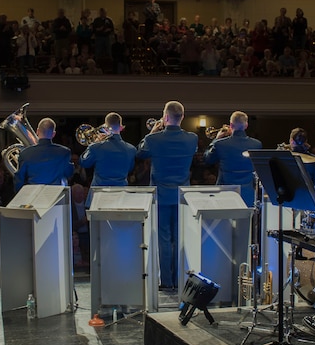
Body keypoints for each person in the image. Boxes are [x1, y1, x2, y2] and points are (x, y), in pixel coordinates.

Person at [136, 101, 198, 290]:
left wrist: (151, 133)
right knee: (180, 238)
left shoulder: (154, 139)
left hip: (161, 196)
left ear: (165, 117)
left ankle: (167, 281)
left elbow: (140, 153)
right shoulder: (192, 138)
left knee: (163, 239)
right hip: (181, 197)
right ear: (183, 117)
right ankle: (180, 278)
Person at [205, 111, 262, 207]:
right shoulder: (257, 144)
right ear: (246, 125)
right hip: (248, 194)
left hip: (225, 194)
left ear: (231, 125)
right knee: (247, 221)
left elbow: (207, 159)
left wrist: (216, 140)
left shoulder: (220, 144)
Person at [14, 118, 74, 192]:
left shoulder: (25, 153)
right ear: (53, 134)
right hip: (55, 197)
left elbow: (19, 180)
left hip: (32, 198)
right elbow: (69, 173)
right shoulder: (64, 152)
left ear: (37, 131)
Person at [79, 112, 136, 187]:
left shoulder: (96, 147)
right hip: (120, 192)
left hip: (99, 193)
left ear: (105, 127)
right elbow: (130, 168)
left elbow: (84, 162)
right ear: (121, 127)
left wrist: (93, 144)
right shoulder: (131, 149)